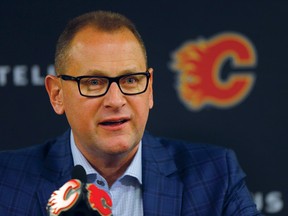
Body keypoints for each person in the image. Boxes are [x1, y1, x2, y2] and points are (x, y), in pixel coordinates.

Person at [0, 10, 262, 216]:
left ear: (149, 89)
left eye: (130, 80)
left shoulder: (215, 175)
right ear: (57, 94)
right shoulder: (6, 181)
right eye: (94, 82)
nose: (115, 100)